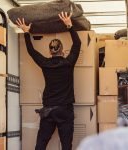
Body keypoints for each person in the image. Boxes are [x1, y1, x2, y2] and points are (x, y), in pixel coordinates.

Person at [16, 12, 81, 150]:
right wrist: (69, 25)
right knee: (66, 145)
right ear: (62, 51)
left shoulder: (45, 63)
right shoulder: (69, 62)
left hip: (49, 110)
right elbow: (77, 43)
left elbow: (31, 51)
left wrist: (27, 32)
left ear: (50, 52)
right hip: (65, 110)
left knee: (41, 143)